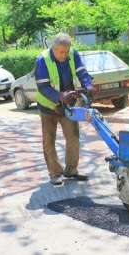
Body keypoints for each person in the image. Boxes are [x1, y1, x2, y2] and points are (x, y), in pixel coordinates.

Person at [34, 33, 97, 185]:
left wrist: (88, 85)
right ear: (53, 48)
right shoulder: (42, 60)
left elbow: (82, 72)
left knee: (74, 137)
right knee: (49, 141)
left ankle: (71, 170)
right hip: (48, 107)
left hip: (68, 106)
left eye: (66, 52)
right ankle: (55, 173)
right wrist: (59, 96)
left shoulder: (73, 55)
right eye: (61, 52)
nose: (64, 55)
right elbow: (43, 87)